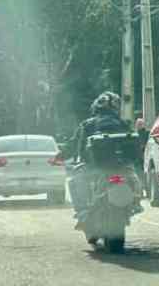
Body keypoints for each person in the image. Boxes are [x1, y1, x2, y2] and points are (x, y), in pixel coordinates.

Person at [63, 91, 129, 228]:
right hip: (120, 168)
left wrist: (61, 155)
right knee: (132, 180)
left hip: (94, 169)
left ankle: (82, 213)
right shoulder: (122, 123)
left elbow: (75, 144)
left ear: (96, 107)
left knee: (73, 182)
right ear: (115, 108)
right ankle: (133, 204)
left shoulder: (87, 124)